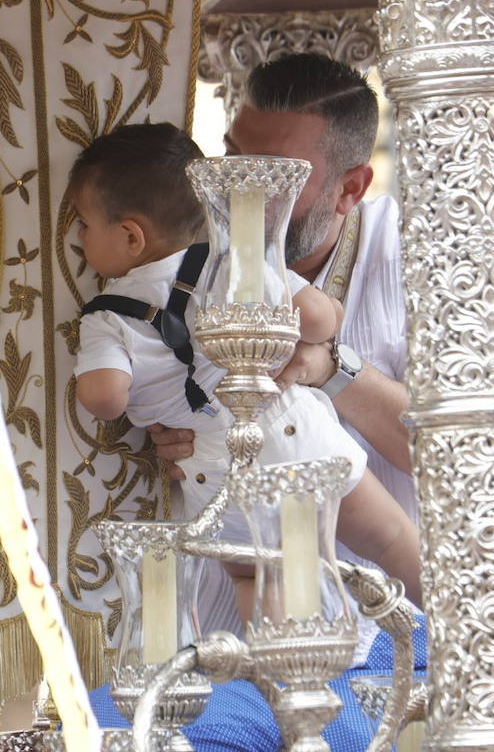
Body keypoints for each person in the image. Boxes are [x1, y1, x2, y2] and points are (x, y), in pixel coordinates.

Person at [69, 121, 422, 619]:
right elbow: (319, 317)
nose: (78, 237)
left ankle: (281, 672)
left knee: (255, 572)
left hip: (213, 464)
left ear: (130, 236)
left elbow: (106, 398)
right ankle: (464, 630)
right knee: (388, 539)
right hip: (293, 432)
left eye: (83, 224)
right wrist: (317, 329)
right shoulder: (239, 259)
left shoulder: (107, 316)